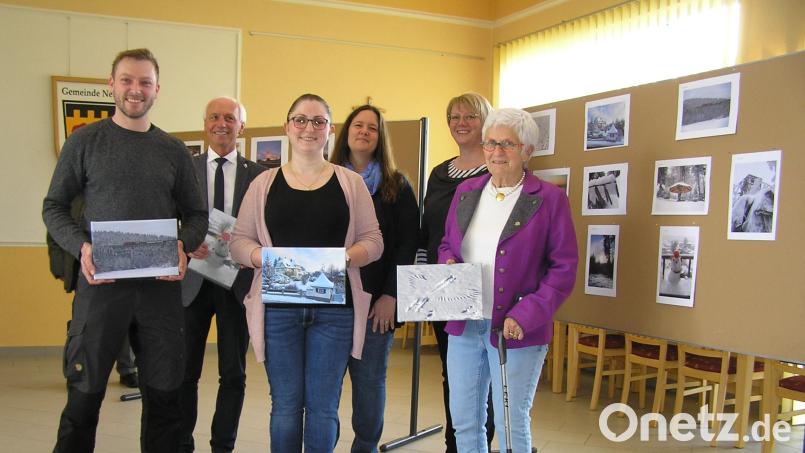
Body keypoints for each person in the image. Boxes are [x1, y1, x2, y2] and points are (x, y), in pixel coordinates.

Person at [42, 48, 208, 452]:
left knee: (165, 401)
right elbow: (54, 207)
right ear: (111, 85)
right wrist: (81, 247)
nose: (136, 90)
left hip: (160, 291)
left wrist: (184, 248)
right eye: (128, 80)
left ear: (157, 90)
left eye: (145, 82)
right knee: (83, 398)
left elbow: (197, 215)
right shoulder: (85, 142)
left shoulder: (173, 150)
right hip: (102, 288)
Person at [230, 93, 383, 452]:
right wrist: (262, 258)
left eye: (318, 121)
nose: (308, 128)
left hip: (335, 313)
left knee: (322, 408)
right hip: (278, 312)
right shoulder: (263, 184)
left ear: (330, 130)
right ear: (287, 127)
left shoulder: (350, 183)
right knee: (284, 407)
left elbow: (373, 241)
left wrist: (345, 259)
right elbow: (238, 243)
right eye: (300, 119)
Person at [439, 108, 578, 452]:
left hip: (515, 328)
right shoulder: (467, 192)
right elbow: (446, 244)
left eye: (508, 144)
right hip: (464, 322)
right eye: (491, 143)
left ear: (527, 151)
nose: (497, 152)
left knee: (510, 420)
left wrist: (526, 314)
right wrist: (449, 263)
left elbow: (564, 268)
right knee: (465, 420)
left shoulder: (548, 199)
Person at [178, 97, 266, 453]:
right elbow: (171, 213)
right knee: (185, 373)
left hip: (237, 285)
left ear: (241, 127)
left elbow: (265, 225)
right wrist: (185, 242)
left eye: (230, 118)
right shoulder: (186, 167)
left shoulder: (259, 174)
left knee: (233, 374)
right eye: (214, 117)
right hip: (191, 285)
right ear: (205, 123)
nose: (221, 124)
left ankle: (222, 446)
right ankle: (182, 444)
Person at [330, 105, 419, 452]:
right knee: (325, 389)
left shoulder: (396, 184)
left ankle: (364, 448)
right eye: (358, 125)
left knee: (368, 385)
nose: (364, 131)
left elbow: (407, 243)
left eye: (372, 127)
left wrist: (391, 296)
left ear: (380, 137)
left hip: (376, 303)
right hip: (330, 302)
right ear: (346, 132)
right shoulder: (325, 177)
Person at [418, 92, 494, 453]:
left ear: (485, 121)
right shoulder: (439, 173)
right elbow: (428, 230)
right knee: (454, 372)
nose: (461, 123)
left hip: (485, 285)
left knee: (484, 375)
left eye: (470, 116)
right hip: (442, 285)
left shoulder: (497, 170)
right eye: (454, 117)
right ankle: (456, 443)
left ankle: (477, 442)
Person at [47, 197, 140, 389]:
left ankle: (128, 369)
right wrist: (60, 269)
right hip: (83, 272)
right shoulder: (72, 198)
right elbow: (54, 237)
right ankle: (76, 369)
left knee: (126, 320)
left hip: (120, 266)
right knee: (81, 324)